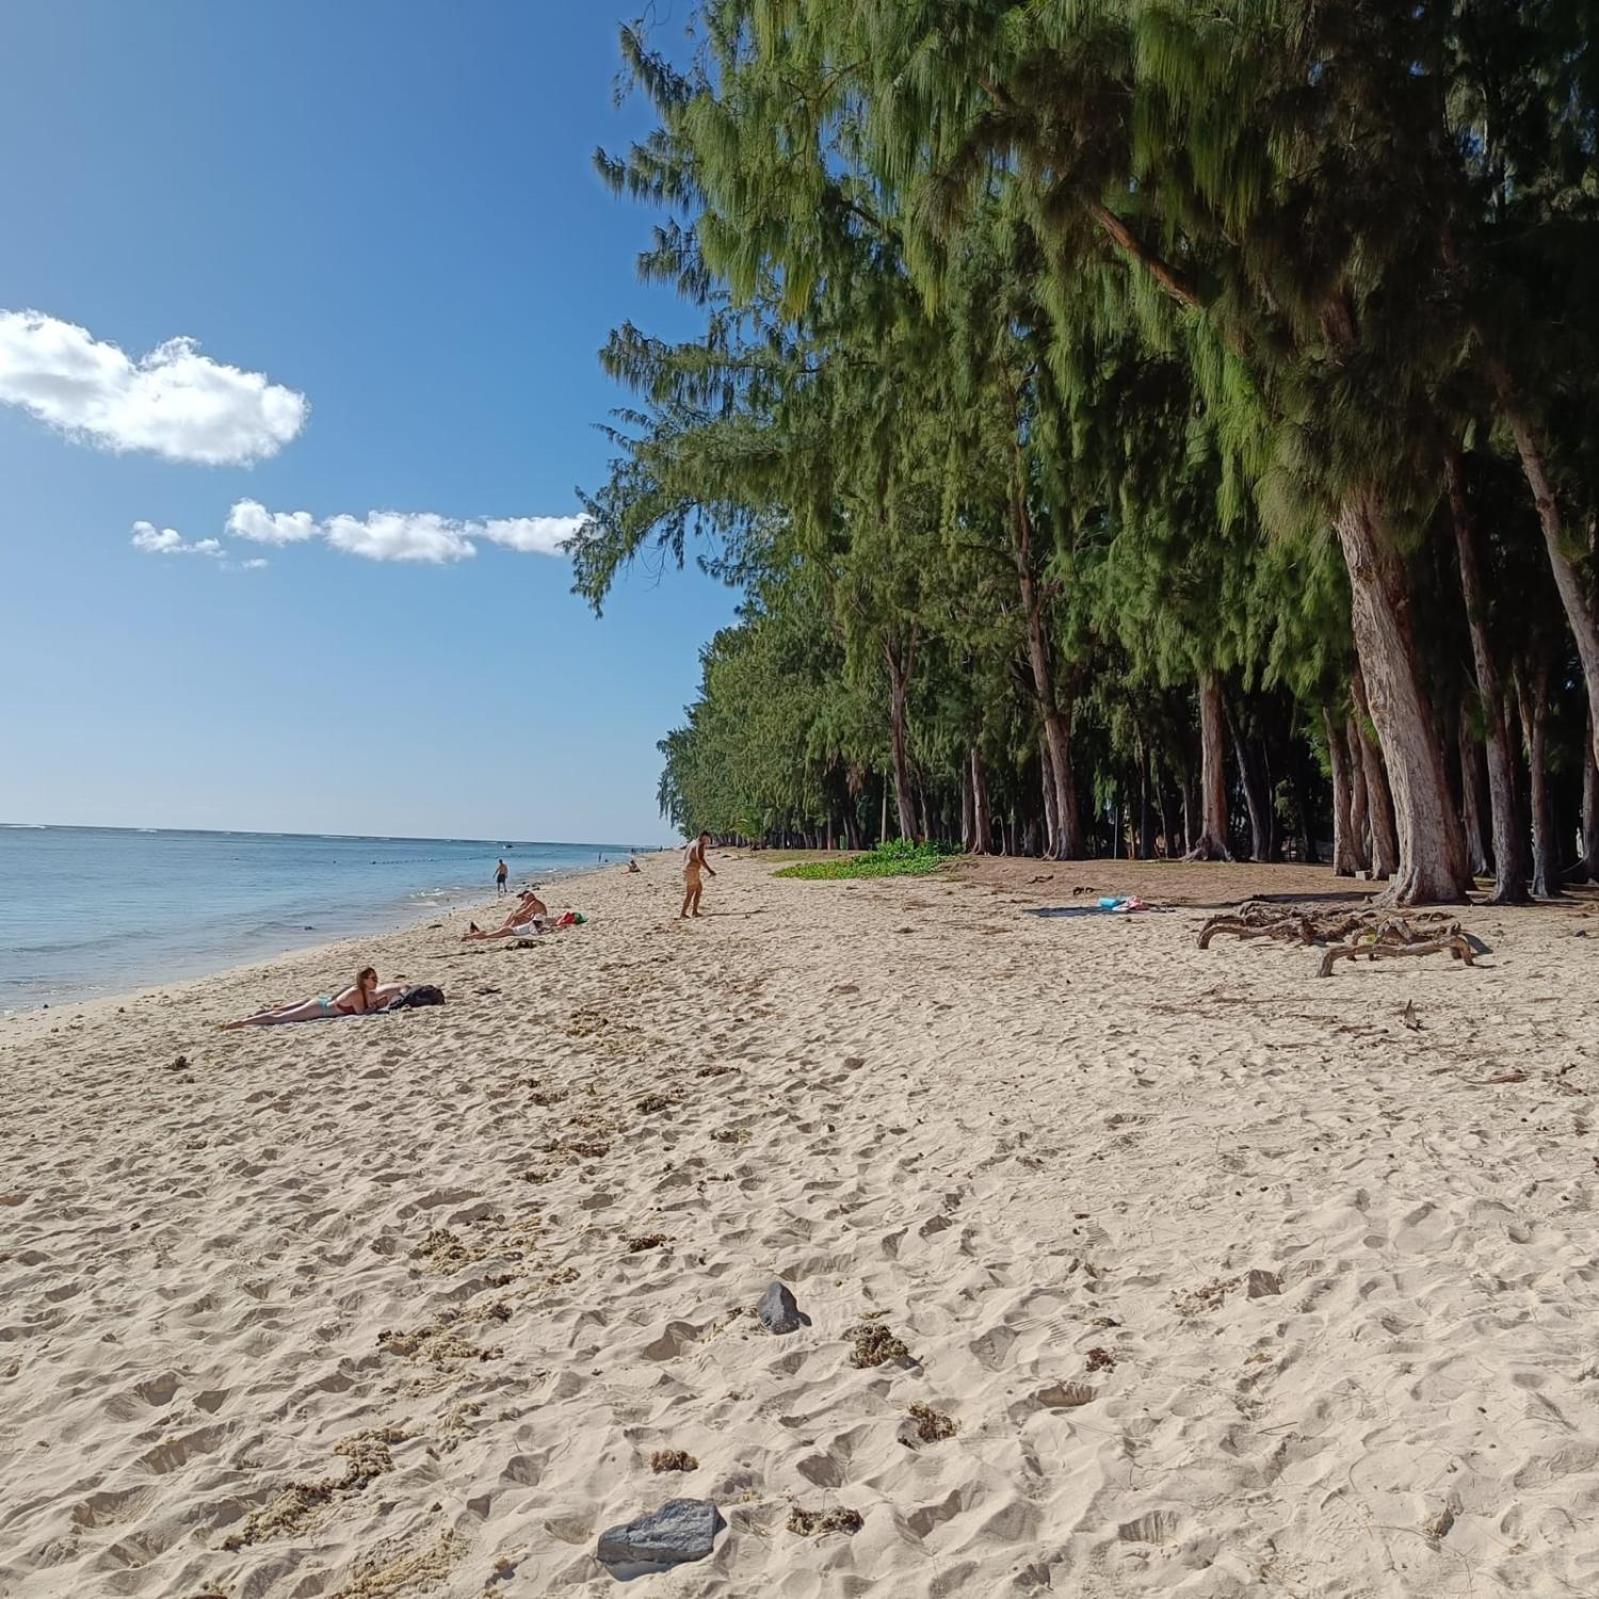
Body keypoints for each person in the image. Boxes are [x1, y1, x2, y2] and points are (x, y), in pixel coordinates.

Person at [222, 966, 404, 1028]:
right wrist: (375, 1008)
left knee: (280, 1013)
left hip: (323, 1001)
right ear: (364, 980)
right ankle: (242, 1022)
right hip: (321, 1008)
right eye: (373, 978)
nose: (376, 981)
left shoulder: (363, 991)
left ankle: (259, 1014)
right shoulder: (357, 993)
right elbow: (360, 1014)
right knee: (280, 1019)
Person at [462, 887, 548, 941]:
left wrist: (521, 911)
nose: (524, 901)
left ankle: (471, 937)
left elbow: (520, 915)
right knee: (502, 930)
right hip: (532, 926)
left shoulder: (533, 904)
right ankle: (474, 935)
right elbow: (534, 920)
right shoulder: (538, 905)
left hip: (530, 928)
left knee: (495, 934)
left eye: (525, 899)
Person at [680, 832, 716, 919]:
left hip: (689, 869)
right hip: (692, 870)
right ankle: (683, 913)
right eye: (707, 839)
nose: (708, 841)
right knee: (690, 892)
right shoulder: (700, 844)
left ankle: (694, 911)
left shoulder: (692, 842)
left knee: (699, 889)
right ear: (704, 837)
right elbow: (700, 858)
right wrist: (710, 870)